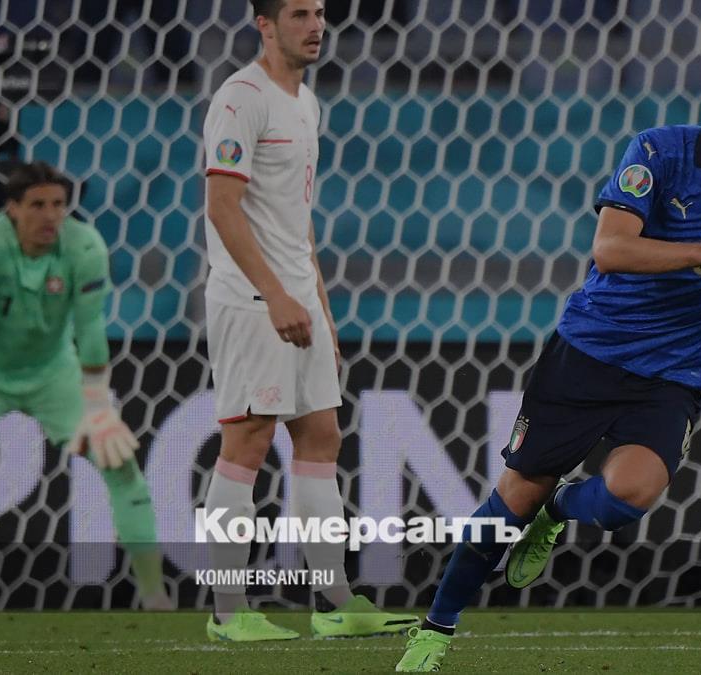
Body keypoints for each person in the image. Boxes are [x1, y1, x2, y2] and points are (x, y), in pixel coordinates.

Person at [396, 48, 701, 671]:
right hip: (590, 354)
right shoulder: (659, 152)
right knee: (512, 499)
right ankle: (436, 630)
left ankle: (557, 510)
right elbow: (610, 250)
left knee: (628, 498)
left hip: (672, 376)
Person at [200, 0, 416, 641]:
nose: (316, 25)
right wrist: (276, 296)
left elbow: (296, 220)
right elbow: (223, 207)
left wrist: (318, 305)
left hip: (296, 300)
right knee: (247, 443)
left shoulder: (306, 102)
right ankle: (227, 611)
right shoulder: (241, 99)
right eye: (299, 13)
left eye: (320, 12)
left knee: (321, 437)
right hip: (251, 301)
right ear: (264, 25)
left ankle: (334, 601)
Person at [0, 161, 170, 611]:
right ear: (12, 208)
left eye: (58, 204)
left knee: (120, 465)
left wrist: (98, 406)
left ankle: (155, 594)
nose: (51, 215)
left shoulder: (85, 246)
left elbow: (91, 330)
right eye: (38, 205)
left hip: (53, 372)